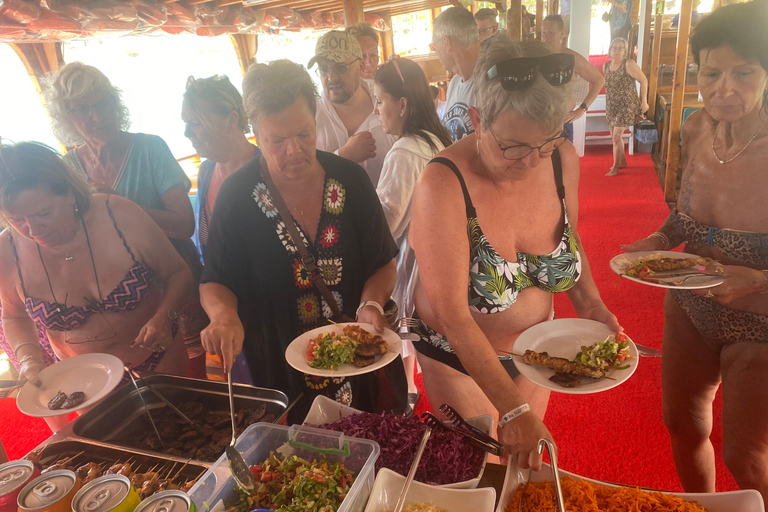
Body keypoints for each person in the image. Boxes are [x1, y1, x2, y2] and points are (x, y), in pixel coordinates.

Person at [409, 35, 620, 468]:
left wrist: (593, 306)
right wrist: (515, 410)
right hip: (456, 358)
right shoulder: (444, 182)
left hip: (536, 351)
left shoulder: (561, 159)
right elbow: (452, 316)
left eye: (545, 141)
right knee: (481, 475)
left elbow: (569, 242)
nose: (530, 162)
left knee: (521, 472)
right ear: (477, 120)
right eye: (513, 146)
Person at [199, 59, 407, 421]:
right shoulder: (236, 196)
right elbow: (216, 278)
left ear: (316, 119)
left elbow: (383, 261)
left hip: (362, 367)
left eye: (304, 134)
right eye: (276, 140)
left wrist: (371, 303)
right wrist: (222, 316)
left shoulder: (352, 181)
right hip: (281, 374)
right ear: (254, 132)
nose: (293, 150)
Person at [621, 2, 768, 502]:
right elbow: (685, 215)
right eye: (712, 72)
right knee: (683, 429)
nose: (725, 87)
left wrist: (759, 279)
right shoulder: (695, 127)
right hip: (689, 302)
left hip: (760, 319)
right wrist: (658, 242)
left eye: (743, 72)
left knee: (745, 455)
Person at [45, 62, 207, 378]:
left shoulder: (149, 148)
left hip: (171, 281)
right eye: (83, 109)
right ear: (66, 116)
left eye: (104, 102)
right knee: (128, 382)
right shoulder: (68, 168)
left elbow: (183, 224)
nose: (98, 116)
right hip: (116, 299)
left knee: (191, 378)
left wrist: (118, 203)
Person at [0, 142, 193, 390]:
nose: (34, 230)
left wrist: (166, 316)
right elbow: (13, 315)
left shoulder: (119, 214)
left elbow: (178, 274)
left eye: (44, 214)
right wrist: (27, 358)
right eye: (17, 220)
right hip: (85, 382)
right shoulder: (7, 251)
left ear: (69, 193)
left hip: (158, 358)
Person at [373, 58, 453, 415]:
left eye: (379, 101)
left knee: (404, 325)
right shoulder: (435, 138)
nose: (377, 111)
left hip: (411, 258)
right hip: (438, 253)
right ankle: (411, 389)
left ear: (401, 104)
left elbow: (387, 220)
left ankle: (407, 392)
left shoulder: (405, 151)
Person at [181, 74, 261, 384]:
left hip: (262, 308)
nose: (188, 133)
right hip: (222, 305)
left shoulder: (264, 171)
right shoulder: (206, 170)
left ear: (232, 119)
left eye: (196, 123)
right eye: (186, 124)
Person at [309, 31, 395, 187]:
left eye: (341, 67)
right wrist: (342, 156)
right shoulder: (310, 115)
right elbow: (302, 176)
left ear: (361, 67)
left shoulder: (389, 104)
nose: (331, 77)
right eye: (323, 69)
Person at [541, 15, 606, 143]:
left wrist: (582, 109)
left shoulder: (571, 58)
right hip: (541, 121)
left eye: (551, 33)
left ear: (561, 34)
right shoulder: (536, 56)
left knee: (564, 161)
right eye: (543, 33)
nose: (546, 37)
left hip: (563, 120)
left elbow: (599, 80)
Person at [431, 7, 481, 141]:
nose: (435, 53)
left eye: (434, 47)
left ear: (446, 42)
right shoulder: (454, 83)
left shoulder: (489, 83)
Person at [603, 37, 648, 176]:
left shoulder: (628, 64)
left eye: (620, 48)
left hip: (626, 104)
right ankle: (622, 161)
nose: (616, 51)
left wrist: (644, 101)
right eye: (614, 48)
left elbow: (644, 80)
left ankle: (615, 167)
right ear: (610, 50)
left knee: (617, 136)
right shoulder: (605, 66)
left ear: (625, 51)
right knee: (614, 136)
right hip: (612, 105)